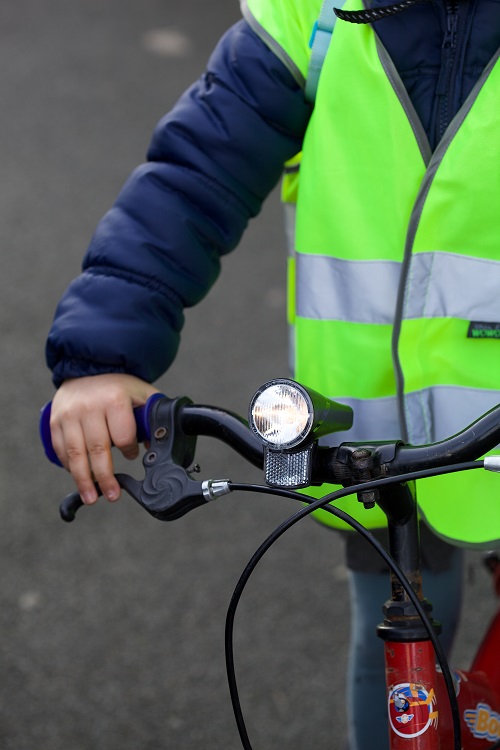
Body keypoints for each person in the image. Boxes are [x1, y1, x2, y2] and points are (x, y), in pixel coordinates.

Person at [45, 0, 500, 746]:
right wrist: (103, 359)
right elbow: (194, 174)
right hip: (373, 438)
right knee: (399, 643)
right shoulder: (314, 15)